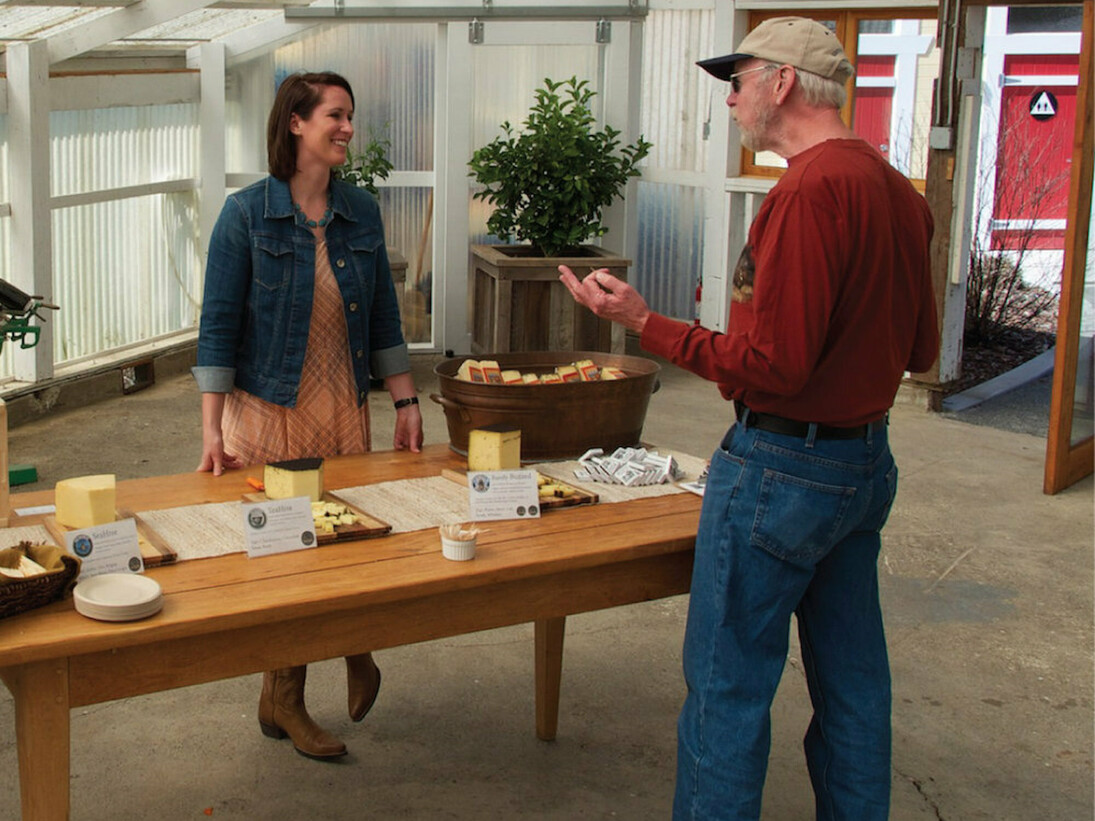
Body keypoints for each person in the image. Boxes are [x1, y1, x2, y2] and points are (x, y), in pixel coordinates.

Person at [559, 16, 939, 820]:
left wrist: (643, 322)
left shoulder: (805, 192)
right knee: (854, 684)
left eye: (737, 82)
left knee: (726, 688)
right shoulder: (898, 193)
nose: (729, 100)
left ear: (782, 82)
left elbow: (776, 367)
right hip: (862, 465)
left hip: (783, 471)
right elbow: (921, 349)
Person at [193, 71, 423, 761]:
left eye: (350, 116)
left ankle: (352, 649)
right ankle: (288, 694)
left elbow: (384, 315)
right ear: (295, 122)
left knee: (350, 541)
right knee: (285, 556)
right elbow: (217, 326)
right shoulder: (245, 214)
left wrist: (406, 400)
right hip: (269, 407)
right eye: (335, 115)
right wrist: (210, 429)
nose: (348, 127)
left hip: (342, 402)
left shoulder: (360, 211)